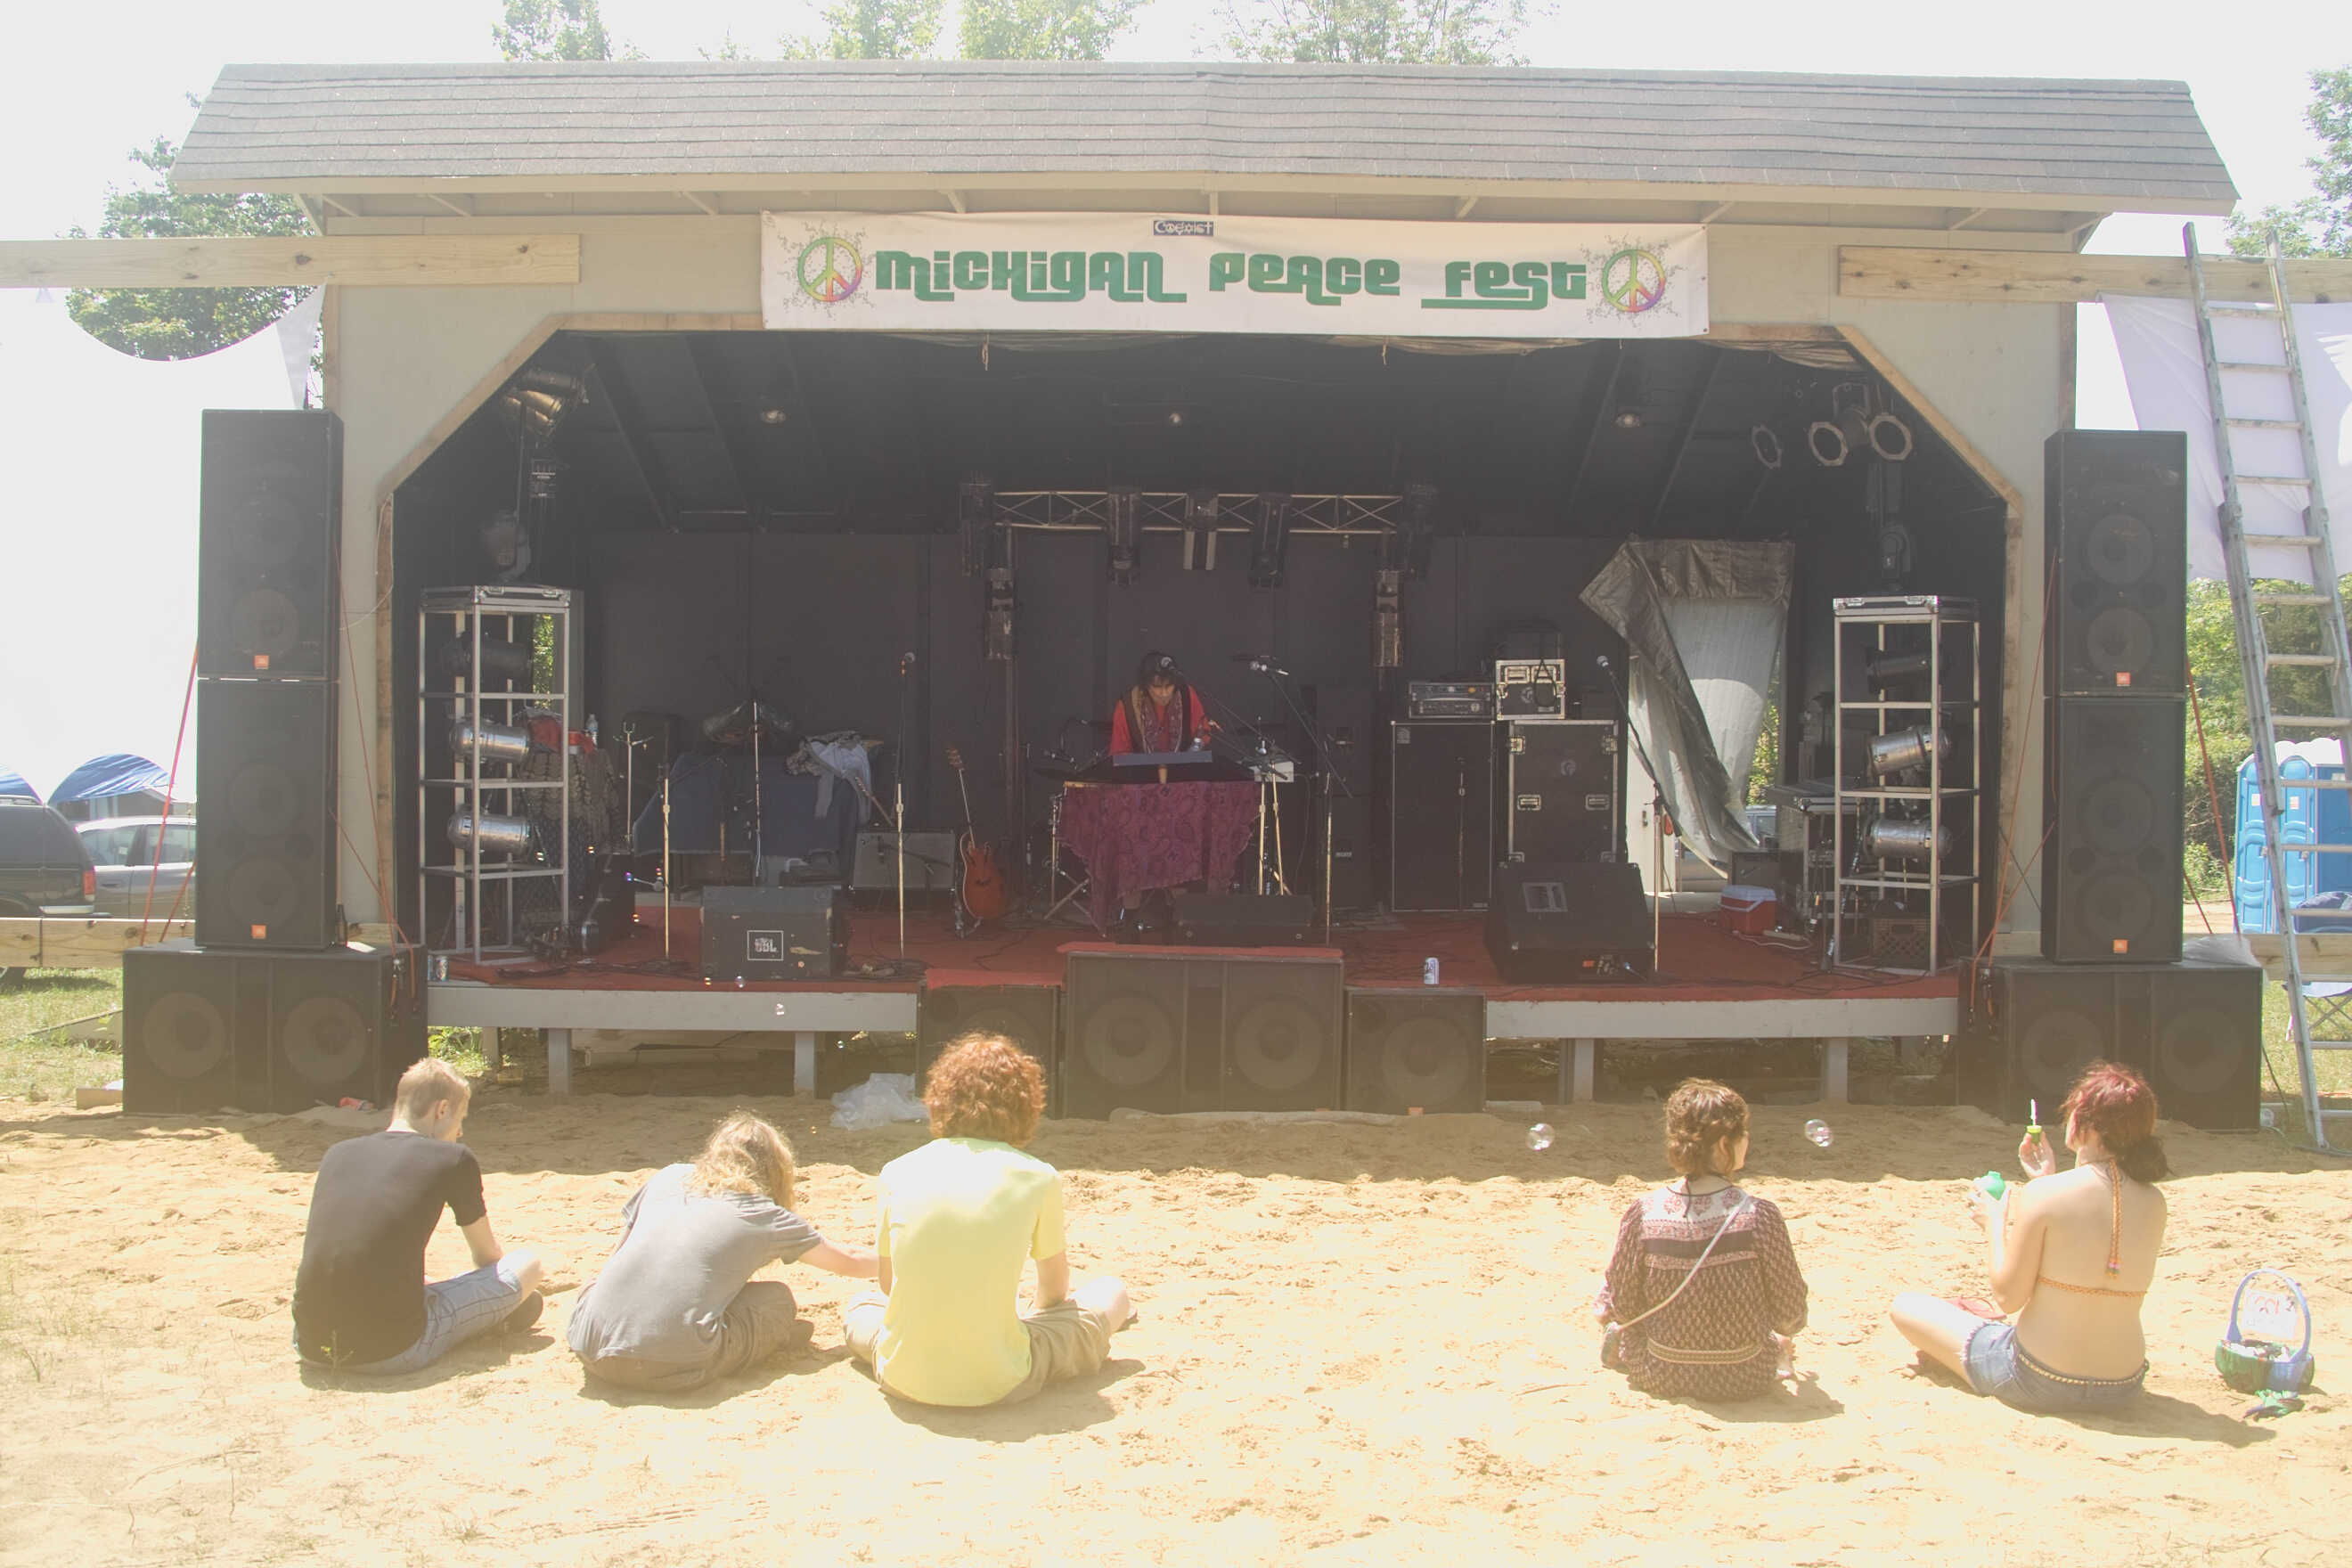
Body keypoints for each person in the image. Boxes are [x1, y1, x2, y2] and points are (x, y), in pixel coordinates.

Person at [844, 1033, 1134, 1407]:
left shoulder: (895, 1171)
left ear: (939, 1100)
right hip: (1002, 1380)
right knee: (1112, 1292)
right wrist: (1024, 1320)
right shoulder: (1038, 1176)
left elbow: (888, 1285)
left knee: (861, 1306)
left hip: (902, 1375)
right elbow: (1054, 1291)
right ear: (1026, 1106)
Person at [1890, 1060, 2168, 1414]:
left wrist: (1994, 1223)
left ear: (2089, 1127)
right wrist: (2046, 1180)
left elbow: (2008, 1298)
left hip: (2040, 1378)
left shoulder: (2047, 1195)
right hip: (2122, 1386)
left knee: (1907, 1306)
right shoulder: (2155, 1202)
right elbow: (2093, 1230)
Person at [567, 1110, 878, 1392]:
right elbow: (848, 1261)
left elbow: (615, 1257)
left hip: (589, 1346)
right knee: (777, 1299)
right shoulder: (764, 1214)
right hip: (671, 1365)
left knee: (602, 1287)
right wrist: (898, 1261)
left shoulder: (668, 1176)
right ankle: (768, 1338)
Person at [291, 1058, 545, 1374]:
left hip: (310, 1344)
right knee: (528, 1265)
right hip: (395, 1347)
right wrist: (504, 1300)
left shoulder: (338, 1153)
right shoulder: (453, 1158)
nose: (460, 1131)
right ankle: (489, 1318)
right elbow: (487, 1257)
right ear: (442, 1110)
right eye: (460, 1118)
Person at [1595, 1079, 1809, 1401]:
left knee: (1609, 1302)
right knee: (1779, 1340)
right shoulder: (1760, 1215)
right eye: (1744, 1134)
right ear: (1724, 1144)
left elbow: (1623, 1307)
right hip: (1746, 1375)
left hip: (1659, 1372)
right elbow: (1790, 1315)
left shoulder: (1643, 1213)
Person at [1108, 650, 1213, 755]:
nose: (1164, 694)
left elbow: (1203, 735)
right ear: (1146, 685)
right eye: (1157, 687)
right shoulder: (1128, 705)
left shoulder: (1187, 696)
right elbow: (1119, 753)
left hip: (1185, 765)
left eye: (1169, 686)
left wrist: (1191, 755)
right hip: (1140, 766)